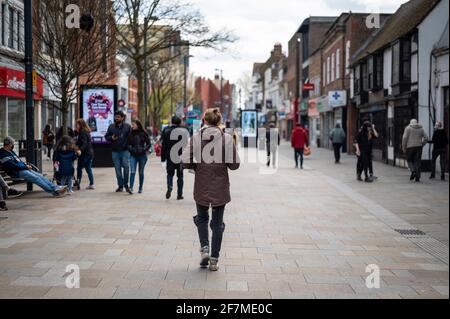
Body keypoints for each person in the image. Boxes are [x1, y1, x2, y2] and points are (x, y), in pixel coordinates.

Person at [182, 108, 240, 271]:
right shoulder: (227, 138)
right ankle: (214, 259)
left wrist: (197, 166)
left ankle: (205, 249)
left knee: (201, 218)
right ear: (219, 121)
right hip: (220, 186)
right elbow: (235, 165)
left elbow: (185, 159)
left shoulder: (197, 137)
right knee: (217, 223)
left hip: (201, 184)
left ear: (205, 121)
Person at [0, 137, 67, 197]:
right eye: (12, 143)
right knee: (36, 178)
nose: (13, 145)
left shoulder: (11, 151)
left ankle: (56, 188)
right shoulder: (3, 154)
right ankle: (54, 192)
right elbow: (12, 165)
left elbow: (19, 161)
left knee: (40, 176)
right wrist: (25, 167)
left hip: (22, 169)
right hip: (16, 172)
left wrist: (25, 165)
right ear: (9, 144)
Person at [161, 116, 190, 200]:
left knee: (170, 174)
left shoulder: (166, 130)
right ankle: (179, 194)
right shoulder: (184, 130)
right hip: (180, 156)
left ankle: (169, 185)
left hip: (170, 155)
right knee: (180, 176)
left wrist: (163, 159)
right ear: (180, 122)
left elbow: (163, 146)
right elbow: (187, 145)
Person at [105, 110, 132, 194]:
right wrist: (111, 138)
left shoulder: (128, 127)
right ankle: (120, 186)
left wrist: (129, 146)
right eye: (115, 117)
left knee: (126, 167)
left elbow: (131, 138)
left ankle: (126, 185)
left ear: (122, 118)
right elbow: (106, 136)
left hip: (125, 151)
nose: (116, 118)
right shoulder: (111, 127)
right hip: (115, 151)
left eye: (118, 117)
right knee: (117, 169)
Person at [128, 119, 151, 194]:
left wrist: (144, 149)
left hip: (142, 156)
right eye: (132, 124)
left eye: (134, 124)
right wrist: (131, 149)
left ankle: (140, 188)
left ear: (138, 125)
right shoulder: (130, 133)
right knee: (132, 171)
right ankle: (130, 188)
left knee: (141, 172)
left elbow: (149, 144)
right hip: (133, 155)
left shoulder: (143, 133)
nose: (132, 126)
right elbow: (127, 144)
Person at [75, 119, 95, 190]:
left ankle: (78, 183)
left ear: (80, 124)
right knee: (88, 168)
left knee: (79, 168)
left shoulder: (82, 132)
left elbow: (84, 143)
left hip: (85, 153)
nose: (76, 125)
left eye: (77, 124)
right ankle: (92, 184)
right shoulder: (86, 131)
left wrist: (80, 150)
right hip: (90, 153)